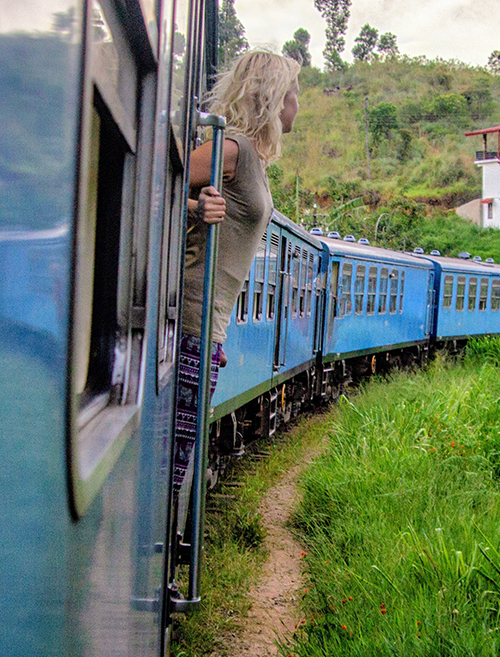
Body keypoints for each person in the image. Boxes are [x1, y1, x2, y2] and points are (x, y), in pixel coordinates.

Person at [173, 51, 301, 492]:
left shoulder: (253, 160)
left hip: (209, 325)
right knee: (174, 458)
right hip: (193, 317)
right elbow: (155, 177)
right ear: (273, 97)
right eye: (293, 94)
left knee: (181, 451)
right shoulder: (234, 149)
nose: (297, 105)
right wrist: (195, 207)